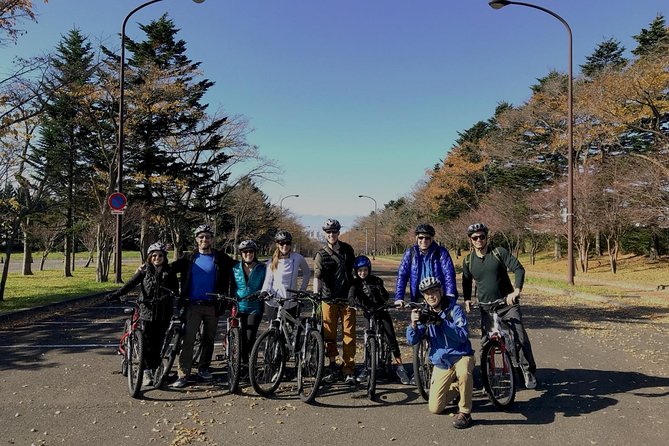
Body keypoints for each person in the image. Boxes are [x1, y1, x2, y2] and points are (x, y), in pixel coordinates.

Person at [461, 222, 537, 389]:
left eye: (482, 236)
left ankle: (527, 370)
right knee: (485, 343)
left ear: (487, 237)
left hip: (507, 305)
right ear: (470, 240)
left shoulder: (498, 253)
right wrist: (467, 299)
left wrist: (516, 291)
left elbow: (518, 268)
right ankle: (487, 376)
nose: (479, 239)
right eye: (475, 237)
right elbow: (466, 281)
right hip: (486, 308)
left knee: (519, 338)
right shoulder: (468, 261)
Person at [169, 224, 235, 388]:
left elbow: (239, 266)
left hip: (213, 305)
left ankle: (203, 368)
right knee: (188, 339)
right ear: (196, 239)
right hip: (193, 305)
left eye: (207, 237)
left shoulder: (220, 257)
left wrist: (264, 266)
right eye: (201, 237)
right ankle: (183, 373)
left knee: (208, 339)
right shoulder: (189, 257)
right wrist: (145, 269)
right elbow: (169, 268)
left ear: (212, 239)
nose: (204, 239)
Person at [106, 242, 179, 387]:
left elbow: (175, 290)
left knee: (159, 342)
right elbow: (130, 284)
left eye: (160, 256)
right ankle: (145, 371)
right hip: (146, 311)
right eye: (154, 256)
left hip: (164, 312)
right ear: (149, 257)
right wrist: (115, 294)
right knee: (146, 342)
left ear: (164, 257)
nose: (157, 258)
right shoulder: (144, 271)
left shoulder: (169, 272)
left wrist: (170, 296)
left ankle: (154, 368)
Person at [406, 276, 475, 429]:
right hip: (442, 362)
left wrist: (442, 322)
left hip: (461, 355)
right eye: (426, 293)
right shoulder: (426, 313)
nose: (431, 296)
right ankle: (461, 387)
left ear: (441, 291)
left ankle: (465, 412)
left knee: (464, 373)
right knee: (435, 408)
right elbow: (412, 340)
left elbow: (463, 336)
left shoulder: (454, 309)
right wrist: (413, 324)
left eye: (434, 291)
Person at [348, 255, 410, 384]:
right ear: (356, 271)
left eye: (365, 270)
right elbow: (351, 294)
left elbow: (386, 295)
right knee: (367, 339)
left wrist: (381, 292)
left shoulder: (376, 280)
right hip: (368, 313)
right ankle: (366, 367)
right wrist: (352, 302)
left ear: (369, 269)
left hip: (381, 311)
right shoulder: (355, 283)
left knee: (391, 338)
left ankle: (400, 367)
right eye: (359, 270)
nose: (362, 273)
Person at [313, 218, 357, 385]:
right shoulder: (320, 254)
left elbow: (354, 273)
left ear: (339, 232)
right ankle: (332, 366)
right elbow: (317, 277)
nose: (332, 234)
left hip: (347, 299)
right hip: (328, 299)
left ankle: (349, 369)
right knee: (329, 336)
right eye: (329, 232)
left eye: (334, 231)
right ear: (325, 234)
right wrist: (316, 294)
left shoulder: (347, 250)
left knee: (349, 336)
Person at [395, 223, 458, 306]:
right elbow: (402, 276)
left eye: (427, 238)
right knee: (417, 318)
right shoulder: (410, 253)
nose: (424, 241)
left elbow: (449, 274)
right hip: (419, 298)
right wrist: (399, 298)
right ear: (416, 238)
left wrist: (450, 294)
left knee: (441, 318)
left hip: (438, 297)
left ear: (432, 239)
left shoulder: (441, 252)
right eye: (421, 237)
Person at [231, 240, 266, 379]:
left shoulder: (262, 268)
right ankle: (241, 364)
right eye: (245, 252)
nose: (248, 254)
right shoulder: (235, 268)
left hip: (255, 307)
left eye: (251, 251)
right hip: (239, 305)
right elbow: (230, 285)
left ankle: (249, 366)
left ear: (254, 253)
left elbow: (267, 284)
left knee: (250, 337)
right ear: (241, 254)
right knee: (239, 337)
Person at [260, 231, 311, 322]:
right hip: (274, 302)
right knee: (274, 332)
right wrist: (264, 291)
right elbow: (268, 281)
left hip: (291, 302)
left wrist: (302, 289)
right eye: (282, 243)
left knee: (288, 334)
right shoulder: (271, 262)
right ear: (277, 244)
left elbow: (307, 273)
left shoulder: (298, 258)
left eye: (287, 243)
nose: (285, 245)